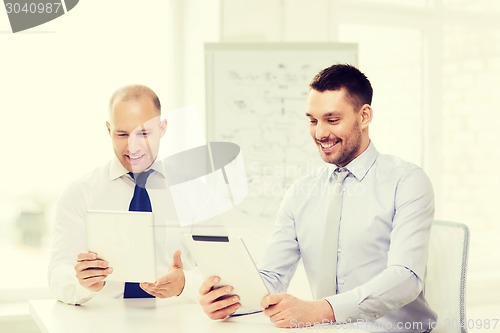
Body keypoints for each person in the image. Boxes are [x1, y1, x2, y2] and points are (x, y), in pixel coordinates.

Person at [198, 64, 437, 332]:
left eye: (332, 120)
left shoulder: (406, 181)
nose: (320, 133)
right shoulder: (301, 193)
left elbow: (406, 278)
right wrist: (230, 299)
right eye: (313, 121)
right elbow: (273, 277)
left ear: (365, 116)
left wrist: (321, 310)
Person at [48, 84, 199, 305]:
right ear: (109, 130)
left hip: (174, 322)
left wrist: (186, 284)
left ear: (162, 128)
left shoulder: (193, 191)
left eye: (144, 133)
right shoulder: (80, 193)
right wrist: (81, 282)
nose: (133, 146)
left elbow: (221, 270)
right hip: (101, 323)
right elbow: (57, 272)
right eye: (122, 134)